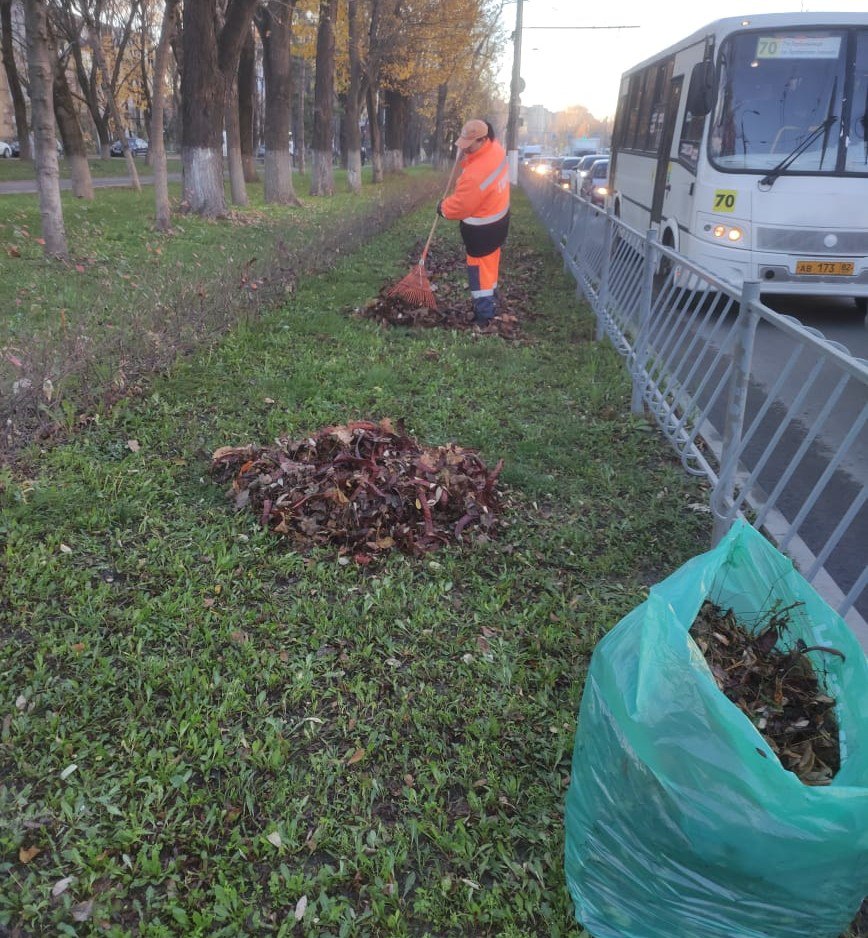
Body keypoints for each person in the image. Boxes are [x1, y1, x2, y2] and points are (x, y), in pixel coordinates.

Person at [437, 119, 510, 325]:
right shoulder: (495, 150)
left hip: (482, 232)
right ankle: (492, 302)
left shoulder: (477, 173)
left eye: (470, 144)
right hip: (499, 221)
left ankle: (484, 316)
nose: (466, 148)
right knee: (490, 268)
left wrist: (442, 208)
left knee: (480, 276)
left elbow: (461, 206)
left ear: (483, 139)